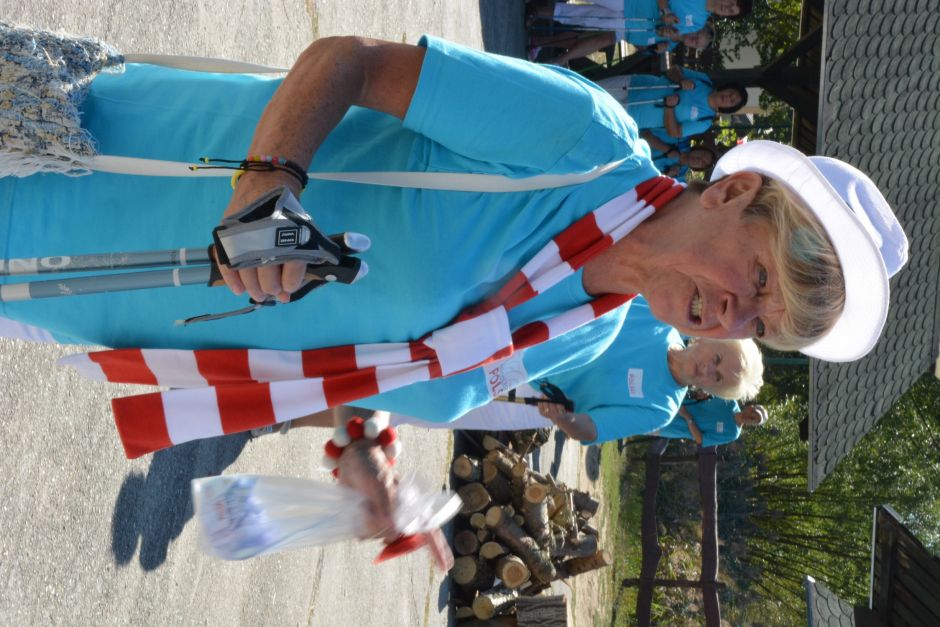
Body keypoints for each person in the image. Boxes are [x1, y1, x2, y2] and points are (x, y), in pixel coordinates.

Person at [0, 33, 908, 544]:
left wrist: (364, 444)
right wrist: (268, 183)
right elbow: (347, 61)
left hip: (98, 307)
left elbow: (375, 341)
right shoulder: (581, 144)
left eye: (762, 323)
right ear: (736, 193)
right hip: (88, 172)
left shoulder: (586, 334)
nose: (735, 316)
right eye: (757, 277)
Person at [317, 297, 764, 444]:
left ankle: (298, 413)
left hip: (531, 394)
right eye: (719, 359)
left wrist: (564, 420)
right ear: (710, 339)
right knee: (418, 340)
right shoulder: (658, 316)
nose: (710, 370)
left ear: (716, 395)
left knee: (418, 406)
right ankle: (325, 350)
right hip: (525, 331)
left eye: (719, 380)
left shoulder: (661, 409)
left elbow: (592, 429)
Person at [597, 68, 747, 137]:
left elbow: (674, 132)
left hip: (635, 116)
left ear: (729, 108)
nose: (728, 98)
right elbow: (673, 70)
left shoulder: (705, 121)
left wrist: (669, 109)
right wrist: (681, 80)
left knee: (595, 114)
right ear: (727, 88)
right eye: (731, 93)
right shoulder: (704, 81)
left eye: (732, 102)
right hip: (635, 85)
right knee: (593, 90)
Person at [657, 396, 767, 446]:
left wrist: (688, 417)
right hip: (672, 402)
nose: (751, 419)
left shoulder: (732, 433)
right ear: (750, 407)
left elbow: (701, 440)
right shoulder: (730, 401)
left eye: (755, 421)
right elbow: (704, 392)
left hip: (669, 427)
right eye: (754, 414)